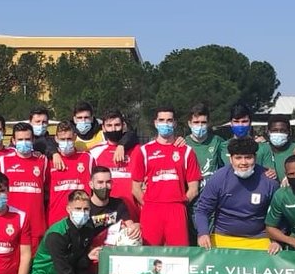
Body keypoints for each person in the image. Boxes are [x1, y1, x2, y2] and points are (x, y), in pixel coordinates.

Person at [192, 137, 280, 251]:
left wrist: (276, 240)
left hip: (259, 238)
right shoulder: (218, 178)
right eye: (238, 158)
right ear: (231, 159)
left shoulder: (269, 181)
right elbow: (202, 210)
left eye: (248, 157)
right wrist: (203, 233)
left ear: (255, 158)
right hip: (222, 237)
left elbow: (279, 214)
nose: (243, 162)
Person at [130, 106, 200, 246]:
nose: (165, 124)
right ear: (155, 123)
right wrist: (150, 204)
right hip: (151, 209)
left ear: (174, 123)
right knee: (150, 254)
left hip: (177, 209)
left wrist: (179, 203)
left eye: (169, 120)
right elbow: (135, 188)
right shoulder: (144, 151)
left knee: (179, 255)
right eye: (161, 120)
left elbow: (194, 189)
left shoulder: (186, 151)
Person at [88, 110, 140, 220]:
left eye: (117, 125)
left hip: (134, 214)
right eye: (109, 125)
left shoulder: (137, 150)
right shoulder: (94, 152)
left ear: (123, 126)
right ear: (103, 128)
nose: (113, 129)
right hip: (106, 216)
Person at [47, 121, 93, 227]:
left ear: (75, 137)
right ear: (56, 139)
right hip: (55, 219)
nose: (66, 142)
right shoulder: (49, 161)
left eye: (69, 139)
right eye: (62, 139)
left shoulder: (87, 158)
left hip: (82, 219)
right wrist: (54, 154)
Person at [184, 102, 227, 193]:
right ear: (189, 123)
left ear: (208, 123)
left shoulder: (217, 141)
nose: (200, 126)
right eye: (196, 122)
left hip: (212, 199)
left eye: (203, 122)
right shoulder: (183, 144)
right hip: (191, 199)